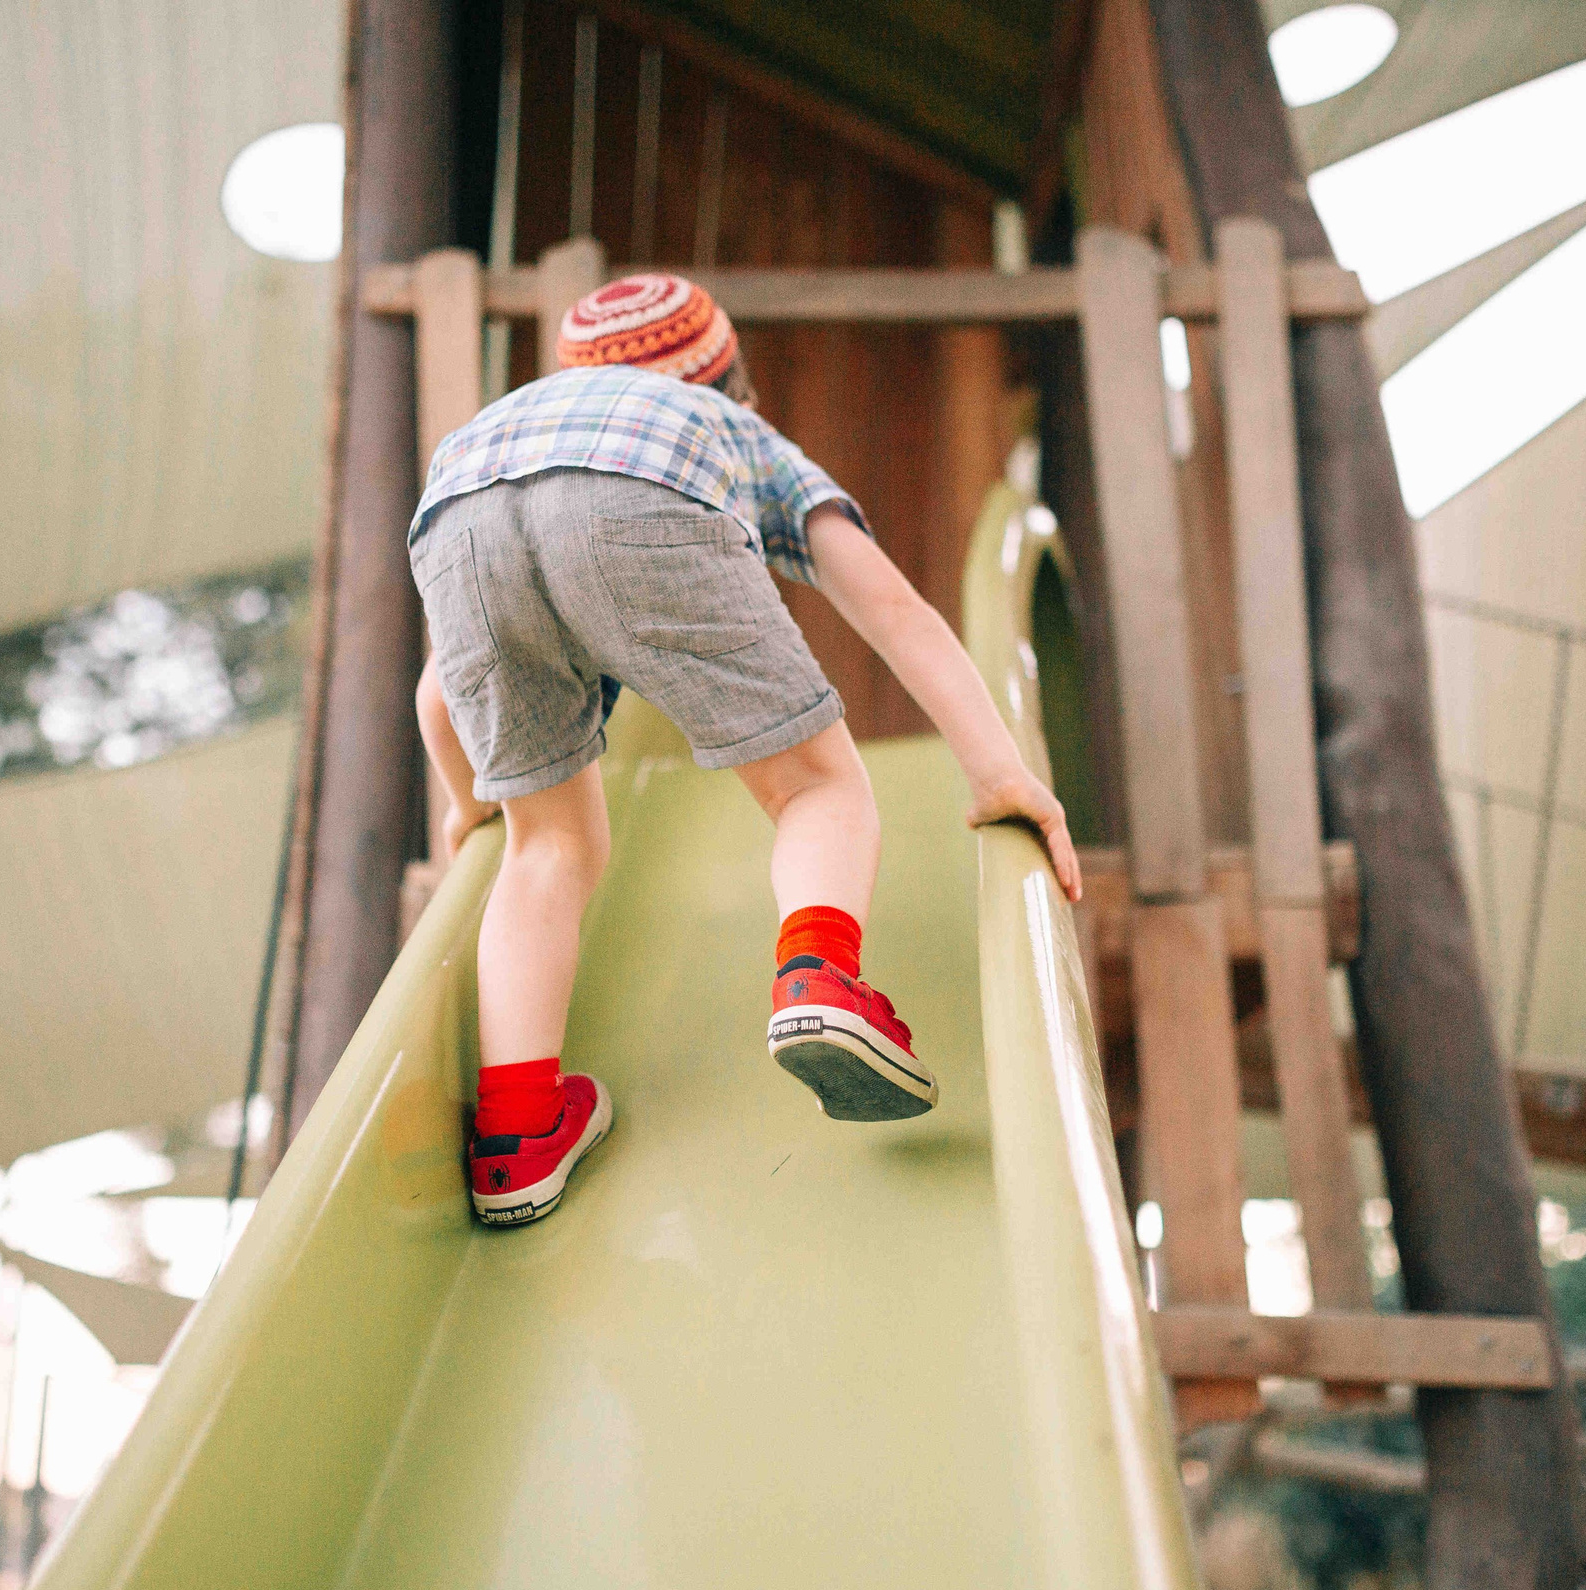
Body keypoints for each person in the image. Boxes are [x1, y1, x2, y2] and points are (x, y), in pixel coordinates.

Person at [409, 273, 1083, 1227]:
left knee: (548, 848)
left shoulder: (510, 427)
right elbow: (891, 607)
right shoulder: (732, 428)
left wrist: (466, 800)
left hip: (453, 517)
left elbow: (439, 688)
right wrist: (998, 771)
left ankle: (516, 1137)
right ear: (734, 382)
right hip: (646, 504)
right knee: (817, 789)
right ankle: (818, 974)